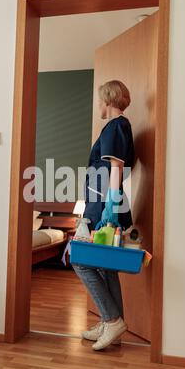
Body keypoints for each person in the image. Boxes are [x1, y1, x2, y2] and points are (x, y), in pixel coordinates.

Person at [72, 80, 135, 350]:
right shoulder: (117, 127)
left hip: (103, 204)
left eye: (99, 100)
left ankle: (111, 319)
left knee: (82, 260)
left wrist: (109, 208)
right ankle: (111, 322)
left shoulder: (115, 126)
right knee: (105, 266)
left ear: (107, 100)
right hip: (100, 202)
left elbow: (116, 168)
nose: (97, 105)